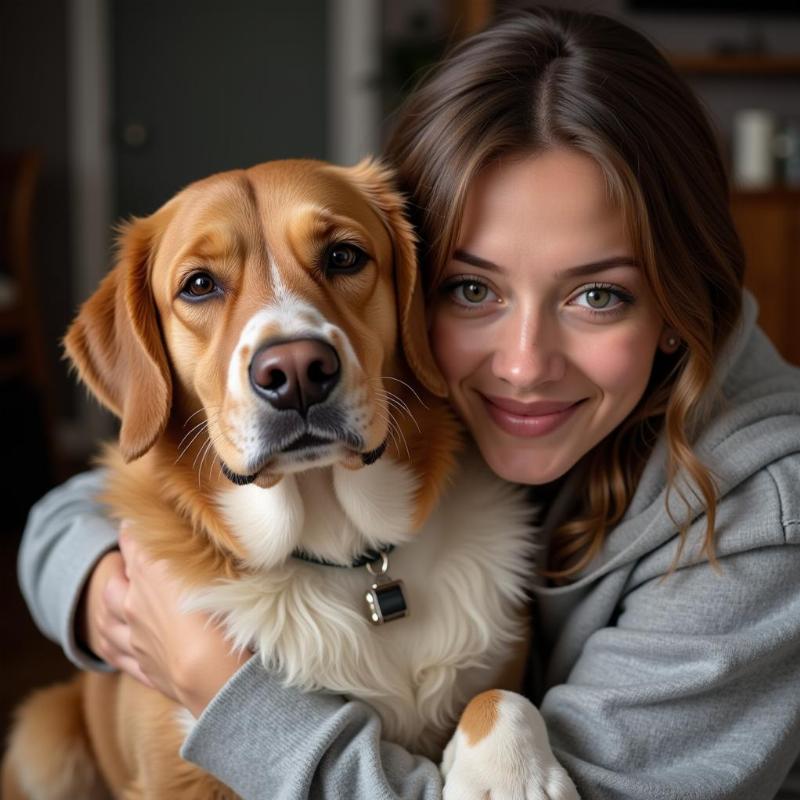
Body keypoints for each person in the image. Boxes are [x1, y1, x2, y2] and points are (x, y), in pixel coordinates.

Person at [18, 6, 800, 798]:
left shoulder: (763, 518)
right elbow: (99, 496)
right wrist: (92, 586)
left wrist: (224, 692)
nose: (524, 366)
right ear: (424, 287)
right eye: (471, 288)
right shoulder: (468, 396)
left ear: (680, 303)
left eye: (599, 294)